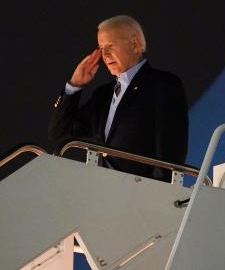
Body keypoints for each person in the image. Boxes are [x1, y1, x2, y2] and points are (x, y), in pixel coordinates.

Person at [48, 15, 188, 181]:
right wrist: (74, 86)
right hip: (101, 193)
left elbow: (170, 152)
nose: (105, 54)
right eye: (101, 48)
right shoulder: (102, 95)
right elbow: (60, 133)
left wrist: (156, 196)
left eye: (110, 45)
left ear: (134, 44)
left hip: (141, 196)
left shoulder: (162, 85)